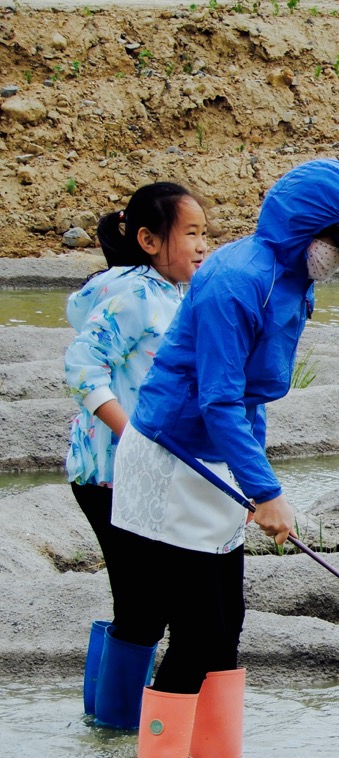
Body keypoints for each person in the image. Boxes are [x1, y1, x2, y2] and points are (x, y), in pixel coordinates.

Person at [109, 158, 339, 758]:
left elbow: (253, 400)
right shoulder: (236, 280)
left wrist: (251, 481)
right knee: (197, 627)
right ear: (303, 233)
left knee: (226, 624)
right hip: (173, 458)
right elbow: (218, 396)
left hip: (216, 461)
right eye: (336, 245)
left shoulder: (294, 277)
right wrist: (264, 491)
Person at [65, 182, 208, 730]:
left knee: (140, 603)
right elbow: (81, 366)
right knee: (144, 607)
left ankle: (109, 724)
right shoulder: (133, 296)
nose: (200, 246)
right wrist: (131, 435)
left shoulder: (175, 292)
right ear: (148, 240)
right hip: (108, 474)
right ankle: (117, 731)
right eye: (189, 234)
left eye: (204, 235)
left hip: (141, 472)